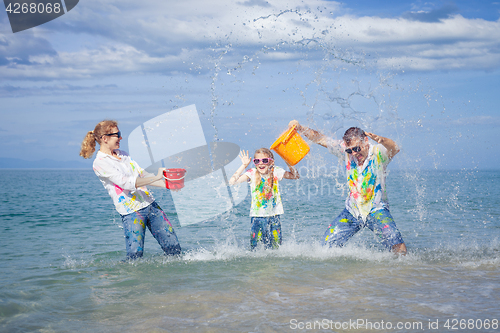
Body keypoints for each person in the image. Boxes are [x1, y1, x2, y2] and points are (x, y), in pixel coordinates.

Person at [289, 120, 407, 255]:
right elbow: (321, 138)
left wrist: (382, 140)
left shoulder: (378, 152)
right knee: (326, 247)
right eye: (350, 150)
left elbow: (395, 148)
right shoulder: (347, 152)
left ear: (365, 141)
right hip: (352, 211)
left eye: (357, 148)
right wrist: (300, 128)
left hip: (377, 209)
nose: (354, 153)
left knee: (398, 246)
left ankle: (400, 273)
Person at [79, 120, 182, 259]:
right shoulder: (100, 163)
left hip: (150, 204)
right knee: (135, 257)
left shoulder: (123, 154)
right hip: (131, 212)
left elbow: (142, 175)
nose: (120, 137)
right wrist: (157, 176)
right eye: (117, 134)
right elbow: (127, 183)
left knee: (174, 249)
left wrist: (167, 185)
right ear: (105, 138)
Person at [229, 148, 299, 249]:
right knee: (256, 248)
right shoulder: (252, 173)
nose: (261, 163)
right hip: (257, 217)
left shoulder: (275, 171)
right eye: (257, 161)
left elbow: (295, 175)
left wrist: (287, 160)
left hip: (274, 217)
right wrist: (244, 165)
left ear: (271, 162)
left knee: (276, 247)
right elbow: (232, 182)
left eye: (265, 160)